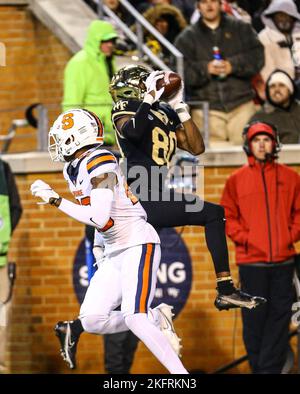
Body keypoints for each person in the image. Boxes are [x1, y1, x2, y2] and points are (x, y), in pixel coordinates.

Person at [53, 65, 266, 370]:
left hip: (156, 195)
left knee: (212, 215)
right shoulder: (125, 109)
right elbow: (132, 131)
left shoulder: (162, 110)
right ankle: (224, 292)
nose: (120, 91)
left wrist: (180, 107)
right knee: (129, 305)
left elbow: (196, 147)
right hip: (139, 199)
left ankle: (76, 326)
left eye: (125, 85)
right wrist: (151, 98)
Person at [30, 108, 187, 374]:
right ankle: (156, 316)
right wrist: (99, 247)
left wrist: (56, 200)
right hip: (114, 249)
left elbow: (100, 218)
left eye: (62, 136)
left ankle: (181, 376)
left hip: (137, 242)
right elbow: (101, 220)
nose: (56, 142)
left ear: (77, 137)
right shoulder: (74, 167)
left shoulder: (100, 160)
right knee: (91, 319)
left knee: (134, 317)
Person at [221, 120, 300, 374]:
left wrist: (288, 237)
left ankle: (266, 370)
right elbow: (228, 218)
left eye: (266, 139)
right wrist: (246, 238)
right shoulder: (235, 180)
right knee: (254, 321)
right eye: (257, 140)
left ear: (274, 144)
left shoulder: (291, 177)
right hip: (251, 264)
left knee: (279, 321)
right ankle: (261, 369)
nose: (262, 144)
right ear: (249, 145)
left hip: (283, 263)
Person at [174, 0, 264, 146]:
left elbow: (258, 57)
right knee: (213, 163)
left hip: (241, 106)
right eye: (204, 2)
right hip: (206, 111)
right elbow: (179, 72)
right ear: (198, 6)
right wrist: (205, 69)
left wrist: (232, 65)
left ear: (221, 3)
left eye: (213, 1)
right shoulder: (186, 38)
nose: (209, 5)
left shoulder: (242, 28)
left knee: (247, 158)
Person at [62, 20, 118, 146]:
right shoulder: (79, 63)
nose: (110, 45)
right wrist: (74, 134)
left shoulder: (109, 62)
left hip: (107, 134)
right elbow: (72, 101)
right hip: (88, 136)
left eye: (112, 41)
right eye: (105, 41)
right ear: (95, 40)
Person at [0, 158, 22, 372]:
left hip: (1, 260)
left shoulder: (3, 168)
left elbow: (16, 209)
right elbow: (16, 209)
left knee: (2, 320)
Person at [250, 69, 300, 143]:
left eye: (282, 85)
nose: (277, 90)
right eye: (272, 86)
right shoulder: (259, 118)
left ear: (290, 90)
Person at [258, 0, 300, 83]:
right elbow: (266, 71)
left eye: (288, 16)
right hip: (278, 85)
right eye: (280, 16)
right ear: (272, 18)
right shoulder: (264, 37)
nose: (284, 20)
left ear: (294, 18)